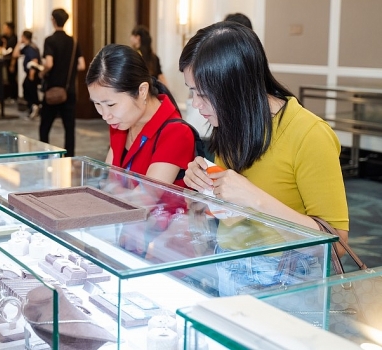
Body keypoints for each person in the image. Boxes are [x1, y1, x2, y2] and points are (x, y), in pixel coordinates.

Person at [180, 21, 348, 294]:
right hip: (229, 263)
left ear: (236, 87)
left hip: (284, 279)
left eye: (204, 93)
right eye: (192, 90)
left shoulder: (310, 134)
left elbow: (336, 245)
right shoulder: (232, 122)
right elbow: (233, 214)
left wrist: (255, 199)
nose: (195, 104)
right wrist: (206, 188)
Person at [87, 43, 196, 187]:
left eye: (111, 105)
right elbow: (109, 179)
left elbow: (147, 196)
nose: (105, 115)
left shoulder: (177, 133)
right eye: (97, 104)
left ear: (142, 91)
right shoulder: (119, 122)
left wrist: (110, 187)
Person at [39, 8, 86, 156]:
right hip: (69, 90)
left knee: (45, 126)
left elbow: (49, 63)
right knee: (69, 128)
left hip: (52, 89)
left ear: (53, 20)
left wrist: (42, 73)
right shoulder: (74, 41)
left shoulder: (50, 40)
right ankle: (70, 156)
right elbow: (82, 65)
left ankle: (44, 154)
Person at [13, 30, 42, 119]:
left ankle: (34, 107)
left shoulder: (31, 48)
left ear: (24, 37)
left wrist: (31, 75)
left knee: (31, 90)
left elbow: (34, 61)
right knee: (26, 88)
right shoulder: (26, 47)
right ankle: (32, 107)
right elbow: (15, 54)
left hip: (32, 73)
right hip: (29, 72)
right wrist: (19, 43)